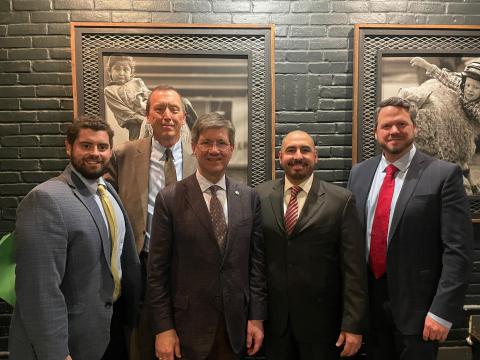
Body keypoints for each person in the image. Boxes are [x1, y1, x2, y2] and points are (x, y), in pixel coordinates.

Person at [347, 97, 473, 360]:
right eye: (387, 125)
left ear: (414, 128)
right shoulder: (359, 174)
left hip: (420, 314)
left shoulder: (443, 175)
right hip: (369, 309)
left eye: (401, 124)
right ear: (376, 132)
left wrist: (441, 312)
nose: (394, 131)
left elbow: (458, 251)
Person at [8, 115, 141, 360]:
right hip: (71, 342)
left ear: (111, 151)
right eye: (86, 145)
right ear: (69, 147)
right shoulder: (46, 199)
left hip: (109, 330)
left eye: (102, 147)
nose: (95, 153)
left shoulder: (108, 191)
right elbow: (39, 289)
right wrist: (57, 354)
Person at [148, 113, 267, 360]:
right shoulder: (169, 199)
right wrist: (164, 328)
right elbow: (157, 272)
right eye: (206, 142)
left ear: (231, 148)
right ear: (194, 147)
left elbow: (256, 265)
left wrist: (256, 317)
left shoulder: (248, 197)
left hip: (236, 326)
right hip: (186, 328)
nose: (214, 150)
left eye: (221, 143)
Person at [255, 130, 367, 360]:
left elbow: (354, 270)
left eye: (305, 150)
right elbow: (255, 262)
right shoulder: (259, 196)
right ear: (280, 157)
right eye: (291, 150)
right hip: (275, 326)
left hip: (324, 326)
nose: (298, 156)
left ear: (316, 157)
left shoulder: (341, 201)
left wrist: (353, 324)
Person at [105, 84, 197, 360]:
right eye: (159, 109)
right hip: (141, 261)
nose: (167, 115)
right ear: (147, 116)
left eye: (174, 109)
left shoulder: (200, 157)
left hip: (189, 263)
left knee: (188, 335)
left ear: (183, 117)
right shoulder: (123, 155)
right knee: (141, 339)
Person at [410, 57, 480, 122]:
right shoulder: (460, 85)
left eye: (476, 87)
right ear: (464, 83)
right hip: (455, 75)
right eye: (468, 85)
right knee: (447, 76)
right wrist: (426, 65)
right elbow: (444, 77)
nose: (470, 89)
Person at [104, 55, 151, 140]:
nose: (121, 73)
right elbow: (123, 111)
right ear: (110, 72)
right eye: (117, 69)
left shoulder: (137, 82)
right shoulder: (110, 90)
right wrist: (143, 120)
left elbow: (149, 97)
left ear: (131, 73)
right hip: (135, 124)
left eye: (126, 70)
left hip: (150, 117)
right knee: (136, 146)